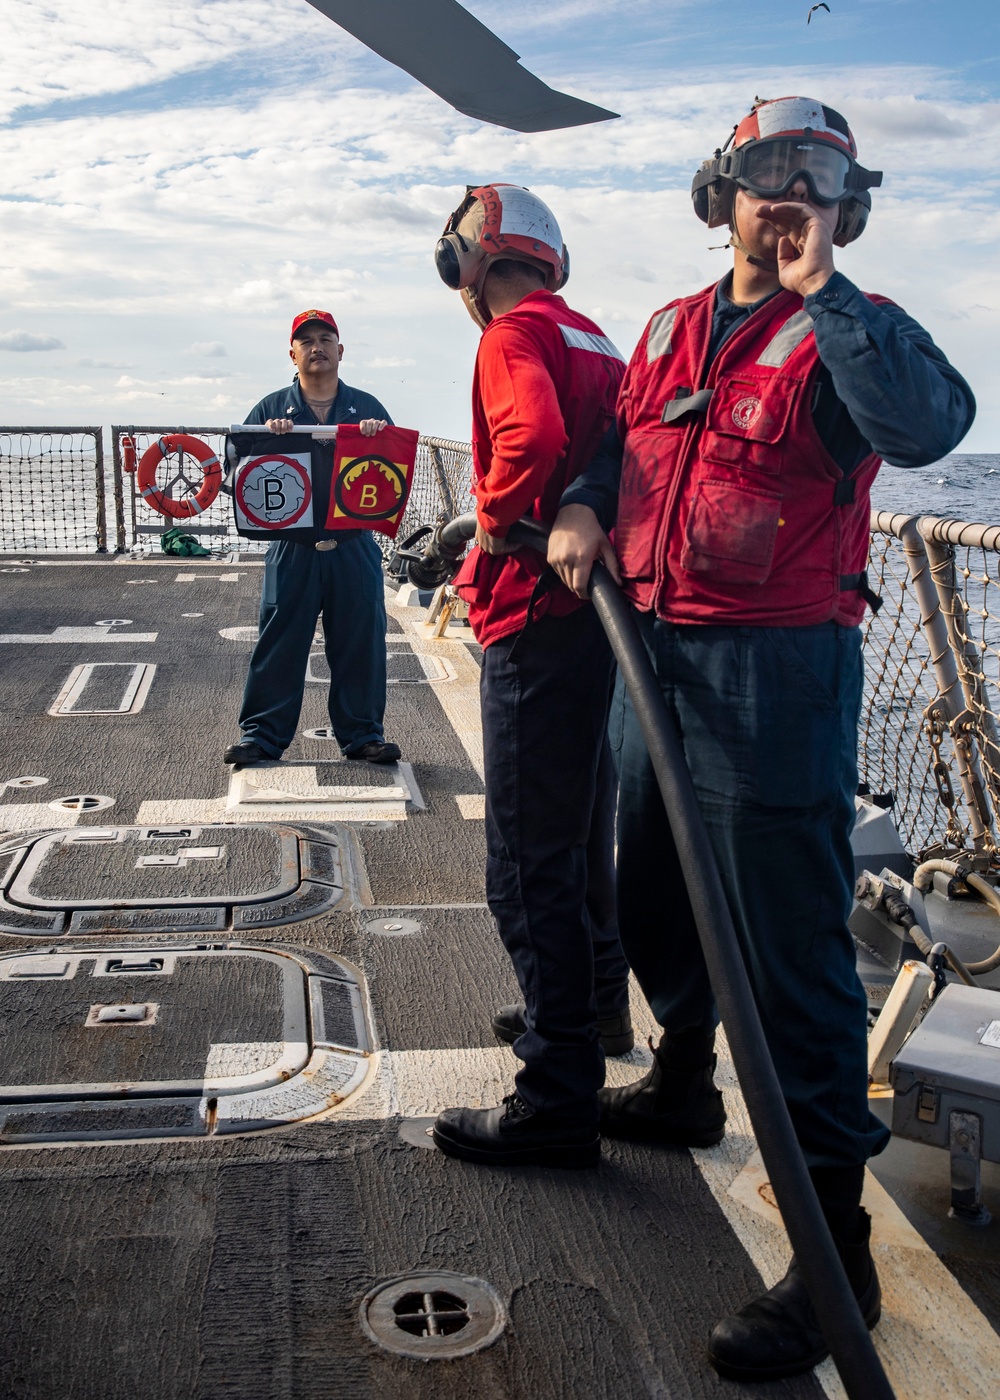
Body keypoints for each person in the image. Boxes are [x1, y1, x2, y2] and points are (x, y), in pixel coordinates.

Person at [547, 97, 976, 1380]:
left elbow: (927, 429)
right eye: (764, 172)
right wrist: (576, 508)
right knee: (652, 889)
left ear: (847, 205)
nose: (785, 192)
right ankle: (682, 1077)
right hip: (651, 654)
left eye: (818, 177)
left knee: (786, 954)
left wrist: (825, 290)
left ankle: (832, 1249)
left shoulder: (855, 328)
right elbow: (609, 447)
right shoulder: (672, 326)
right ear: (717, 189)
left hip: (773, 672)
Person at [429, 184, 634, 1170]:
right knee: (579, 835)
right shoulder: (596, 336)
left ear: (472, 259)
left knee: (523, 865)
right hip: (596, 624)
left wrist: (489, 533)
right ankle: (590, 1016)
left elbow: (533, 442)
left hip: (532, 617)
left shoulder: (510, 337)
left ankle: (555, 1091)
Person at [224, 309, 401, 768]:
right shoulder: (269, 410)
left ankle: (363, 735)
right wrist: (267, 441)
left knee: (362, 642)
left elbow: (391, 474)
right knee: (278, 643)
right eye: (307, 341)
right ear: (293, 353)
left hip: (353, 546)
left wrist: (377, 438)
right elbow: (235, 472)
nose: (317, 347)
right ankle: (261, 737)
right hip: (293, 548)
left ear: (341, 351)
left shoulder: (369, 408)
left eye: (326, 338)